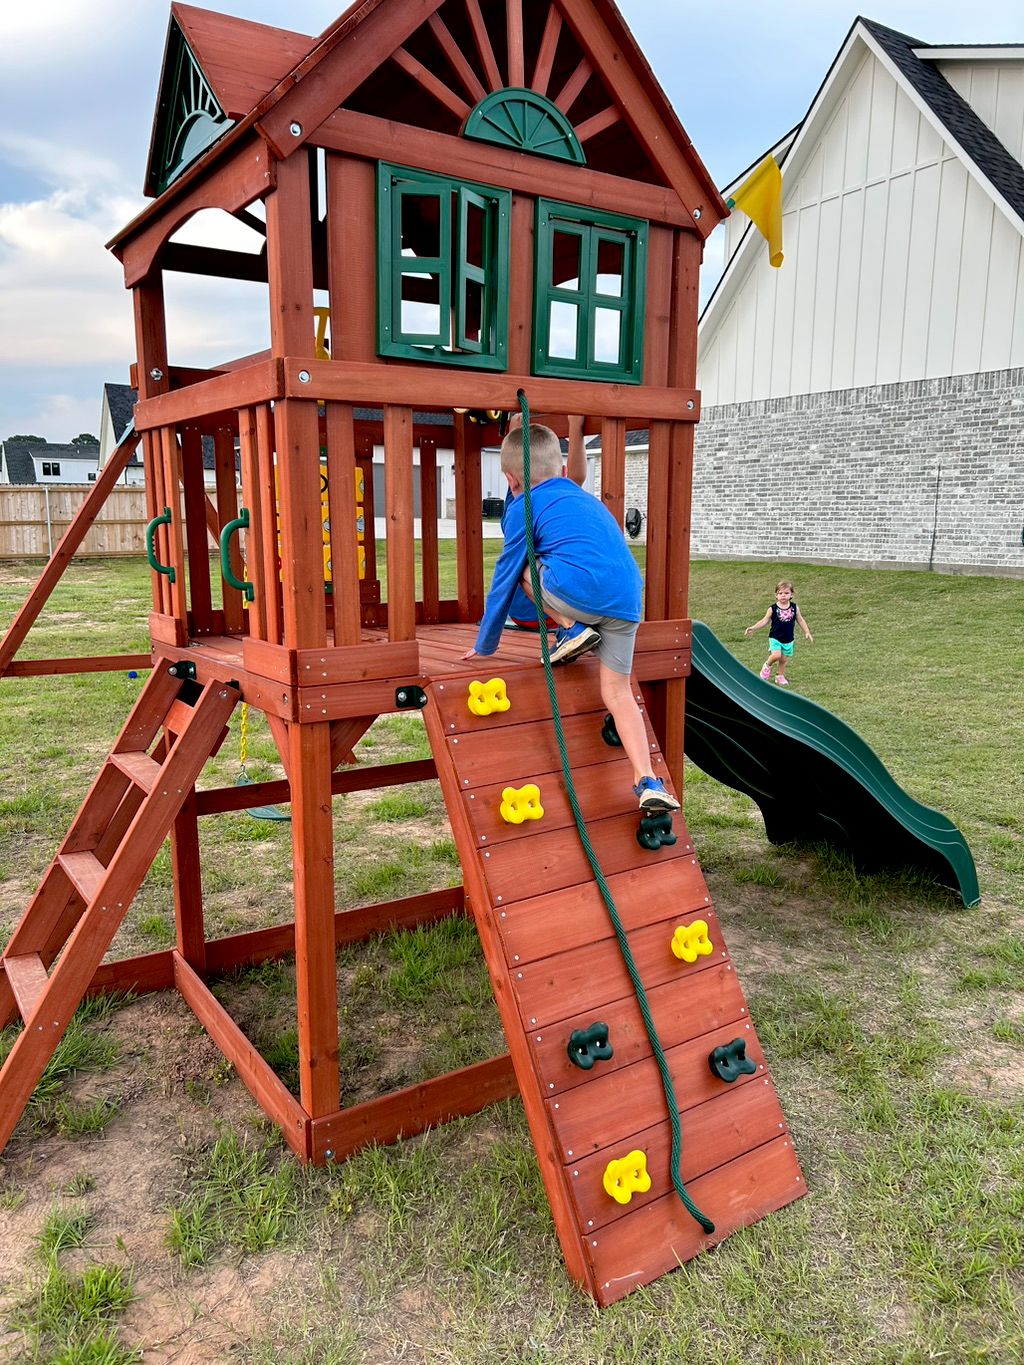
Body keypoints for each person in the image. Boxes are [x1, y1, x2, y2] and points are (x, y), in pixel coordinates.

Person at [462, 422, 679, 814]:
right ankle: (647, 779)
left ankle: (571, 629)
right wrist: (575, 432)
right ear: (560, 471)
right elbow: (572, 473)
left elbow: (506, 574)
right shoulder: (580, 495)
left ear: (510, 479)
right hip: (628, 601)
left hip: (580, 595)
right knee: (618, 693)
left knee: (525, 567)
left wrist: (485, 644)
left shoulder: (522, 507)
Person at [504, 414, 587, 630]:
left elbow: (515, 473)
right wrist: (575, 426)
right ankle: (570, 625)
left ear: (512, 481)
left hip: (522, 610)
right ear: (563, 474)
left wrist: (513, 432)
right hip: (549, 608)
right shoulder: (562, 502)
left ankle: (570, 624)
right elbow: (576, 479)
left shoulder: (517, 503)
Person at [744, 580, 813, 686]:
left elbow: (800, 620)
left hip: (788, 639)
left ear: (791, 595)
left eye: (786, 593)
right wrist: (753, 628)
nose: (783, 596)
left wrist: (807, 632)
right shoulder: (773, 609)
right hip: (775, 637)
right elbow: (764, 620)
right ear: (776, 595)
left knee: (783, 660)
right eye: (780, 593)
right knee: (776, 655)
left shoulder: (794, 608)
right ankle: (767, 666)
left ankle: (779, 676)